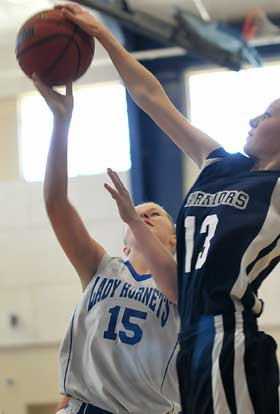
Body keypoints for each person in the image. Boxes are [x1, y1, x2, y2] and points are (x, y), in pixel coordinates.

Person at [57, 3, 280, 414]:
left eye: (266, 114)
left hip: (228, 333)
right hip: (190, 347)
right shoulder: (219, 164)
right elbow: (151, 97)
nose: (252, 119)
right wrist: (104, 35)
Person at [32, 74, 181, 414]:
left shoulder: (183, 282)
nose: (142, 216)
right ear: (124, 239)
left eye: (154, 214)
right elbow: (56, 202)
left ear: (173, 238)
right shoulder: (102, 266)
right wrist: (60, 123)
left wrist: (132, 217)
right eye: (136, 214)